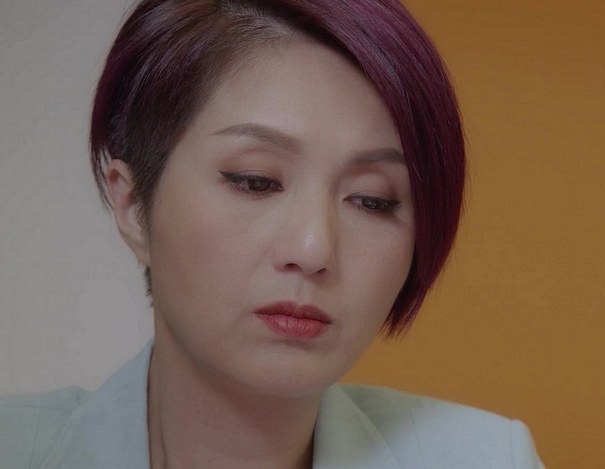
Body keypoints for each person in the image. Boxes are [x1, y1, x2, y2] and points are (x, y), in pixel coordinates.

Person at [0, 0, 544, 467]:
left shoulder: (488, 458)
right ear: (133, 206)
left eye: (372, 200)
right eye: (255, 181)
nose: (313, 249)